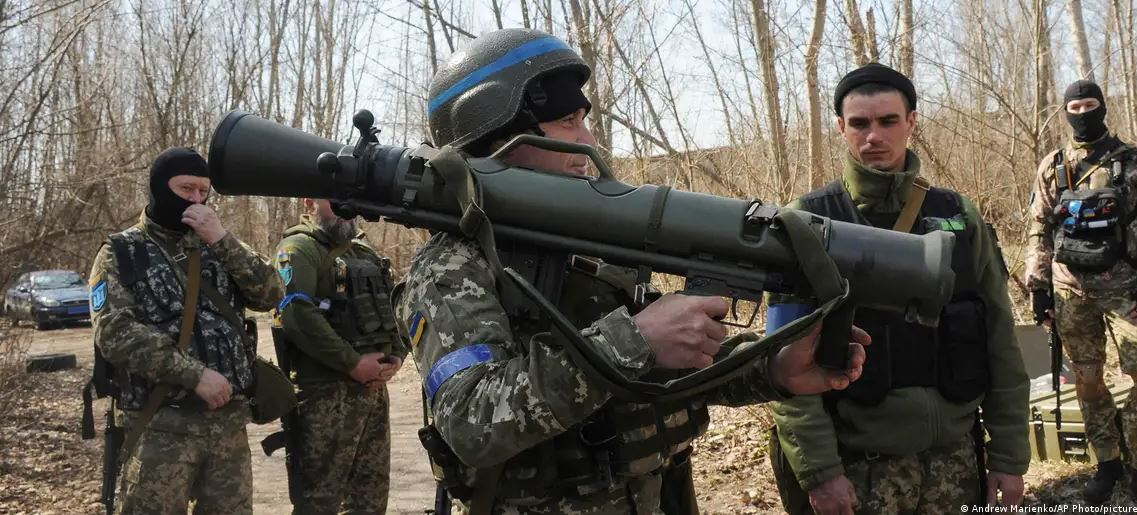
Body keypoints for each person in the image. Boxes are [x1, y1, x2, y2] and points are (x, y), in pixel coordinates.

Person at [395, 28, 872, 513]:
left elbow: (667, 368)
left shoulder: (589, 241)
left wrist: (773, 367)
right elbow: (471, 422)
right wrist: (633, 340)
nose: (587, 141)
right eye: (566, 122)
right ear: (496, 139)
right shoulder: (453, 262)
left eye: (584, 119)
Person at [767, 63, 1030, 514]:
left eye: (888, 121)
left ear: (910, 122)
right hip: (861, 468)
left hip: (958, 463)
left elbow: (999, 339)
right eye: (860, 124)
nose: (874, 136)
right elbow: (784, 359)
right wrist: (821, 472)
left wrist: (1009, 455)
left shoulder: (958, 214)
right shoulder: (808, 222)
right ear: (840, 128)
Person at [89, 147, 284, 514]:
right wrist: (194, 375)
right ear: (159, 188)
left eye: (203, 192)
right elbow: (115, 332)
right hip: (161, 427)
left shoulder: (217, 243)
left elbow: (271, 293)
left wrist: (223, 240)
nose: (196, 200)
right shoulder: (122, 252)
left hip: (226, 426)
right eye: (186, 190)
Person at [1026, 79, 1137, 504]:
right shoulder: (1053, 165)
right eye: (1075, 105)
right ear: (1065, 111)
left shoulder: (1128, 161)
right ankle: (1107, 462)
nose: (1083, 113)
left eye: (1090, 104)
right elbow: (1038, 226)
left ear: (1103, 108)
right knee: (1088, 380)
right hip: (1070, 289)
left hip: (1126, 289)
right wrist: (1038, 286)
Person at [272, 198, 406, 514]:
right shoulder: (298, 249)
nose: (345, 209)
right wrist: (353, 363)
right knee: (320, 501)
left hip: (373, 392)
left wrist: (396, 353)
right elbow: (297, 315)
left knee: (369, 498)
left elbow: (390, 305)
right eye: (334, 202)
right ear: (310, 202)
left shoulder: (363, 250)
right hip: (324, 397)